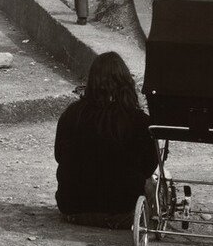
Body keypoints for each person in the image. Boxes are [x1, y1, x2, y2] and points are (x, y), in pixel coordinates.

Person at [54, 51, 159, 229]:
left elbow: (59, 155)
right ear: (126, 83)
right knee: (154, 184)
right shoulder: (140, 121)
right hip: (123, 211)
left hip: (74, 209)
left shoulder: (72, 114)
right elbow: (149, 167)